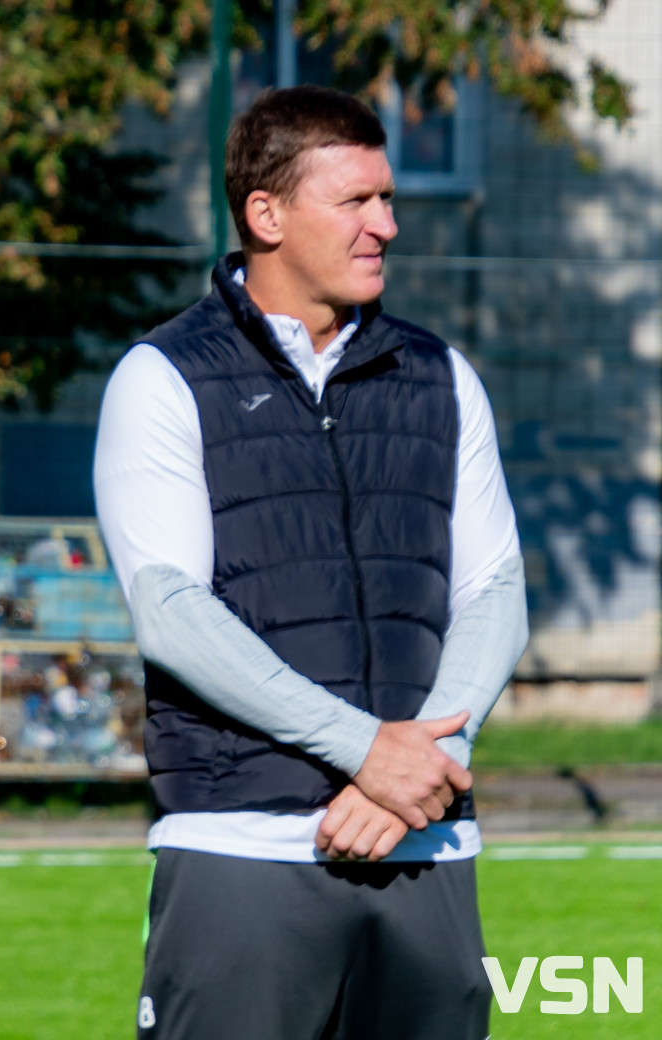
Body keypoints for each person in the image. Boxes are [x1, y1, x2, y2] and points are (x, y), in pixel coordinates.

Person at [92, 85, 528, 1040]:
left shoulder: (445, 376)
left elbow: (494, 589)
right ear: (267, 214)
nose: (389, 225)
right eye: (358, 201)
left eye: (387, 198)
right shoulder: (162, 377)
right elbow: (172, 613)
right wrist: (367, 751)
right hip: (240, 847)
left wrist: (428, 764)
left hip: (425, 842)